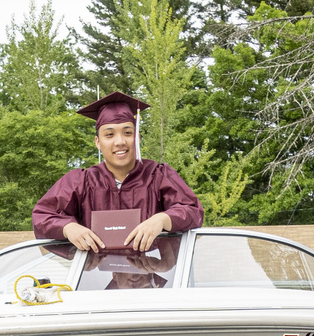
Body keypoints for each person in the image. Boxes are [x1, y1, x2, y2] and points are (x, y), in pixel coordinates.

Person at [32, 91, 203, 252]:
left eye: (127, 133)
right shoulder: (80, 181)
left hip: (152, 272)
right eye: (109, 135)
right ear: (97, 142)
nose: (120, 141)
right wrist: (68, 227)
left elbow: (192, 210)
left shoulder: (158, 175)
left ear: (137, 138)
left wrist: (162, 219)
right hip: (96, 273)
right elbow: (43, 216)